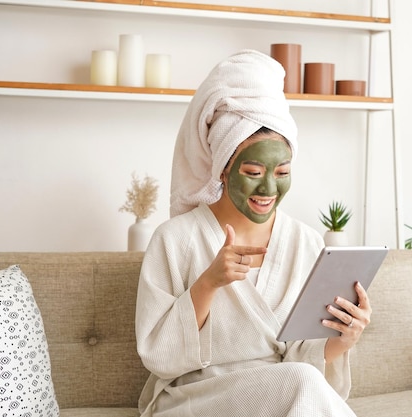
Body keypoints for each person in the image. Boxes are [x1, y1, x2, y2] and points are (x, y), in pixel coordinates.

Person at [135, 49, 372, 417]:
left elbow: (301, 358)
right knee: (300, 382)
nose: (268, 189)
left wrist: (343, 340)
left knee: (299, 380)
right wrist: (208, 283)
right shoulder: (174, 239)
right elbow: (158, 356)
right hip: (195, 398)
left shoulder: (305, 242)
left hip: (281, 398)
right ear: (223, 168)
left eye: (282, 173)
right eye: (252, 171)